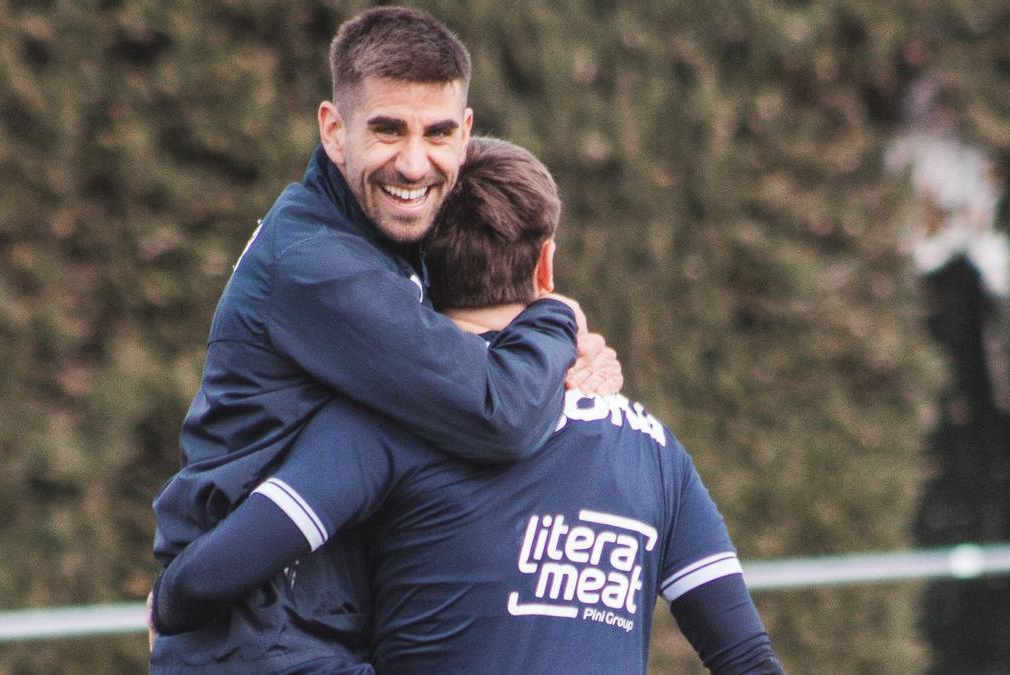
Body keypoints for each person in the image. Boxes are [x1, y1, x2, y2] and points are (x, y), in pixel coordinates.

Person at [152, 137, 783, 674]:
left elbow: (218, 572)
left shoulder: (385, 421)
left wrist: (169, 605)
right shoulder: (656, 450)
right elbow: (746, 658)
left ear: (419, 265)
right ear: (546, 265)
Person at [150, 6, 620, 672]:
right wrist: (556, 319)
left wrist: (573, 359)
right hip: (261, 642)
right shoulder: (318, 265)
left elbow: (461, 369)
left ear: (466, 134)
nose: (413, 162)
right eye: (388, 129)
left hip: (302, 633)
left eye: (437, 133)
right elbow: (499, 412)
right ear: (334, 131)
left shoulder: (389, 243)